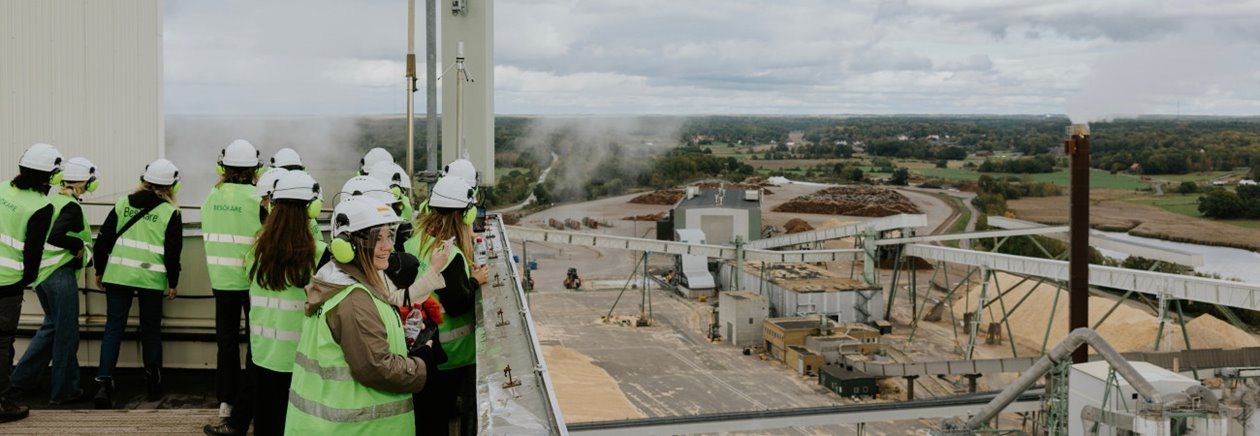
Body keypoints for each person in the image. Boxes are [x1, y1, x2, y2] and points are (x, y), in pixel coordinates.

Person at [285, 196, 440, 435]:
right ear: (346, 246)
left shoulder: (341, 281)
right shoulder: (354, 299)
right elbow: (376, 368)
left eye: (389, 235)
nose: (387, 245)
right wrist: (422, 363)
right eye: (376, 239)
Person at [205, 171, 324, 436]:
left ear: (273, 206)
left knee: (267, 424)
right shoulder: (319, 254)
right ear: (311, 207)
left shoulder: (256, 252)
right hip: (301, 360)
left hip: (263, 356)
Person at [93, 159, 183, 409]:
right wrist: (173, 281)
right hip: (150, 279)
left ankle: (104, 384)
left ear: (144, 180)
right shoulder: (170, 212)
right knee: (151, 329)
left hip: (118, 275)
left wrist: (100, 270)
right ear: (173, 185)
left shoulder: (123, 204)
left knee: (113, 328)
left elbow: (103, 241)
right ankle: (153, 383)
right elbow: (172, 253)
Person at [10, 157, 97, 405]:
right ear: (85, 182)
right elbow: (58, 236)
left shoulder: (50, 200)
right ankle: (65, 392)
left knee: (52, 327)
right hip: (59, 275)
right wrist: (78, 244)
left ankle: (21, 380)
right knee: (67, 334)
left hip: (42, 274)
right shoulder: (70, 206)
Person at [409, 176, 489, 436]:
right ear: (466, 215)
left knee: (425, 417)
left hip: (421, 347)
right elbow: (457, 304)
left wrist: (465, 279)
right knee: (439, 420)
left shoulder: (417, 239)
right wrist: (475, 282)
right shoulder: (451, 255)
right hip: (450, 354)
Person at [201, 139, 265, 419]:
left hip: (222, 280)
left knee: (226, 342)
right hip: (253, 283)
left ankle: (225, 402)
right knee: (257, 342)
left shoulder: (211, 197)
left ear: (222, 167)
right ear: (255, 170)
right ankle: (250, 402)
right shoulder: (258, 200)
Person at [0, 143, 64, 422]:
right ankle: (3, 403)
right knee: (2, 343)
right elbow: (33, 252)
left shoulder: (2, 188)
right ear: (47, 177)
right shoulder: (41, 205)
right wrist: (26, 279)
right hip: (6, 284)